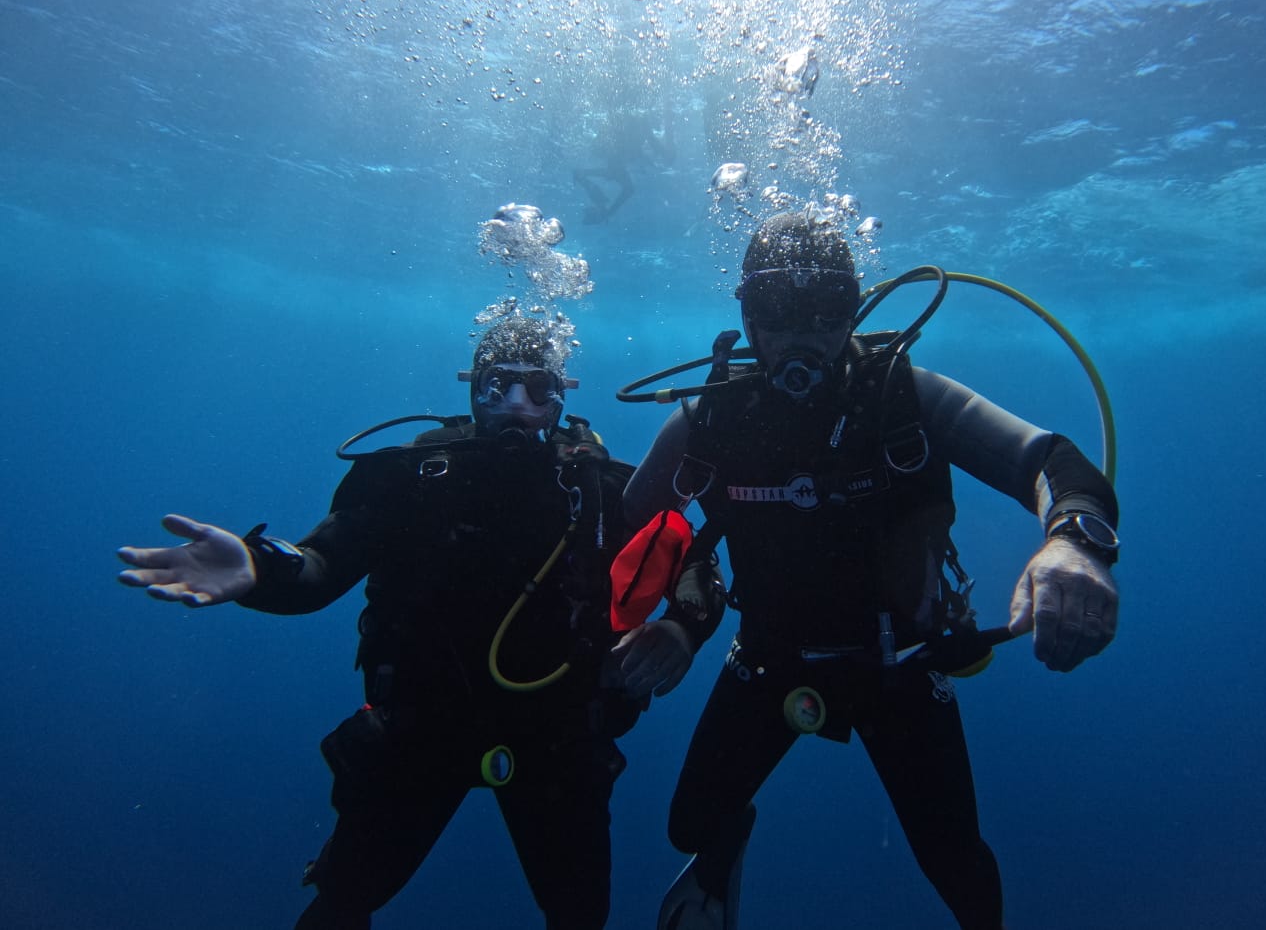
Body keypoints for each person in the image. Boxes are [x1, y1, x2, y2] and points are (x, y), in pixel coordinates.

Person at [117, 317, 721, 930]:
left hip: (559, 737)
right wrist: (257, 566)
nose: (517, 405)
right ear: (471, 388)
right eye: (496, 387)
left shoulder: (600, 491)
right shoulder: (409, 479)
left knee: (579, 914)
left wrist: (682, 629)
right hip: (423, 729)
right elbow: (322, 565)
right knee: (343, 900)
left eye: (537, 388)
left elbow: (690, 564)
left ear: (562, 393)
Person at [622, 213, 1121, 930]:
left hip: (903, 667)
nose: (802, 334)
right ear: (747, 318)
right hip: (767, 661)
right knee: (691, 825)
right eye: (777, 309)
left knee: (956, 862)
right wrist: (678, 623)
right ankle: (719, 860)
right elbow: (632, 540)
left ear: (855, 306)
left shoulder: (905, 396)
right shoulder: (709, 422)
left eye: (826, 307)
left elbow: (1051, 460)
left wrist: (1073, 541)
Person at [573, 101, 676, 224]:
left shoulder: (639, 127)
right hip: (616, 144)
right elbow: (646, 147)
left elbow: (642, 148)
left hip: (617, 144)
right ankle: (584, 178)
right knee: (623, 182)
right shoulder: (639, 126)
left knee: (624, 183)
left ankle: (584, 178)